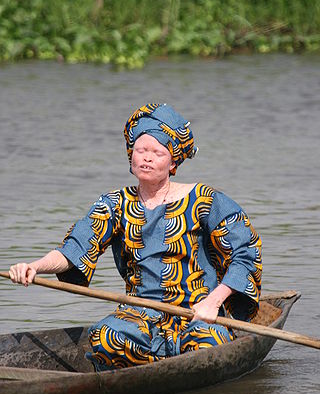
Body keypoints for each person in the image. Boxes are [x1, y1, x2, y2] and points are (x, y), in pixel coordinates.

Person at [9, 103, 262, 371]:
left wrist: (213, 303)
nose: (147, 158)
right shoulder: (115, 203)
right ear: (131, 155)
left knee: (207, 346)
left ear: (173, 161)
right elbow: (74, 249)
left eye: (157, 152)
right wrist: (34, 267)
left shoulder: (205, 200)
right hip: (139, 313)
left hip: (197, 313)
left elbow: (245, 254)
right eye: (141, 150)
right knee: (106, 338)